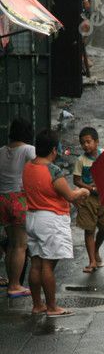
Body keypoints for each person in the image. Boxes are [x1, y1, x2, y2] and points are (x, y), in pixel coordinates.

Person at [22, 129, 89, 317]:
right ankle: (52, 307)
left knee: (36, 263)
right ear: (53, 149)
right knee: (48, 266)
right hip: (50, 220)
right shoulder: (53, 171)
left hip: (32, 218)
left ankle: (38, 305)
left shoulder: (28, 167)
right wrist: (82, 192)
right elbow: (69, 195)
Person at [0, 118, 35, 297]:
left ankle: (11, 283)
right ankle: (15, 285)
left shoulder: (2, 151)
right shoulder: (28, 150)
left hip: (3, 199)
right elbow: (42, 167)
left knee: (11, 245)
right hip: (19, 199)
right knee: (21, 245)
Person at [73, 126, 104, 273]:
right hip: (88, 198)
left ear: (96, 142)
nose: (85, 145)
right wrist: (91, 189)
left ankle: (96, 249)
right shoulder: (81, 160)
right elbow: (76, 180)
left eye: (88, 142)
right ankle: (92, 261)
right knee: (89, 229)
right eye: (83, 143)